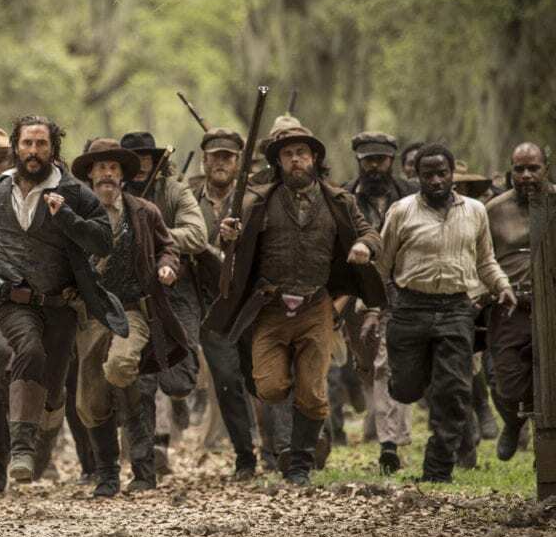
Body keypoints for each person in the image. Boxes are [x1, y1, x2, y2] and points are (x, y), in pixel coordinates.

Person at [211, 118, 385, 486]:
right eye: (288, 154)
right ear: (278, 162)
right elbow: (231, 241)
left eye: (301, 153)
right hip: (270, 308)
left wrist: (363, 246)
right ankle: (292, 433)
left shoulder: (339, 200)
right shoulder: (256, 201)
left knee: (314, 394)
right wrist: (228, 235)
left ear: (314, 158)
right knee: (270, 387)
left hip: (316, 307)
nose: (295, 160)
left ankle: (300, 464)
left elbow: (371, 232)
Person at [0, 115, 126, 485]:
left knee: (54, 392)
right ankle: (21, 448)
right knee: (28, 351)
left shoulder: (74, 192)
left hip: (61, 305)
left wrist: (68, 218)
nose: (33, 152)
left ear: (53, 149)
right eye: (27, 144)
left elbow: (103, 242)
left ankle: (41, 444)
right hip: (14, 300)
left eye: (41, 144)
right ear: (16, 147)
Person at [369, 142, 516, 483]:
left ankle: (437, 469)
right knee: (405, 388)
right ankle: (413, 379)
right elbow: (382, 265)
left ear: (452, 175)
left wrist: (502, 286)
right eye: (427, 174)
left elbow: (485, 260)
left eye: (441, 173)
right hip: (409, 308)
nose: (435, 181)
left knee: (453, 393)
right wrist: (374, 309)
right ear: (416, 177)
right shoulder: (401, 211)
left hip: (455, 309)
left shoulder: (475, 211)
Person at [70, 139, 187, 496]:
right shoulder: (73, 212)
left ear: (123, 175)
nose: (107, 174)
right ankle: (107, 475)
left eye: (113, 168)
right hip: (90, 317)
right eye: (100, 168)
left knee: (123, 370)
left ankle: (143, 471)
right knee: (90, 402)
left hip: (132, 310)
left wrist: (167, 268)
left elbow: (169, 246)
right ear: (90, 174)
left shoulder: (144, 211)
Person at [120, 131, 208, 474]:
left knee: (178, 382)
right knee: (139, 380)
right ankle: (144, 465)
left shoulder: (175, 190)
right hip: (131, 296)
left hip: (177, 292)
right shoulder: (112, 193)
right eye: (134, 159)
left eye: (147, 158)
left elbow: (198, 235)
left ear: (157, 160)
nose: (141, 165)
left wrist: (151, 237)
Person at [340, 132, 418, 474]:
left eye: (381, 159)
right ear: (358, 160)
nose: (374, 166)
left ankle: (389, 444)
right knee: (365, 365)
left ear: (392, 160)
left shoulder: (412, 196)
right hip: (356, 294)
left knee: (390, 364)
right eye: (368, 159)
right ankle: (385, 429)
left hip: (401, 292)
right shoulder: (343, 197)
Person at [189, 128, 259, 479]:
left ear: (238, 163)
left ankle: (281, 451)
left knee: (261, 378)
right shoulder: (188, 198)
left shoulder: (254, 200)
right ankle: (246, 456)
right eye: (215, 156)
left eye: (228, 157)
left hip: (251, 302)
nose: (220, 163)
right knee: (228, 379)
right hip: (208, 305)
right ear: (204, 159)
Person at [486, 142, 552, 461]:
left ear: (546, 168)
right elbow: (481, 257)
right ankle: (513, 421)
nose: (526, 175)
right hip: (511, 304)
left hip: (551, 304)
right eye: (519, 169)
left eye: (533, 168)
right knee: (506, 381)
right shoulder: (493, 209)